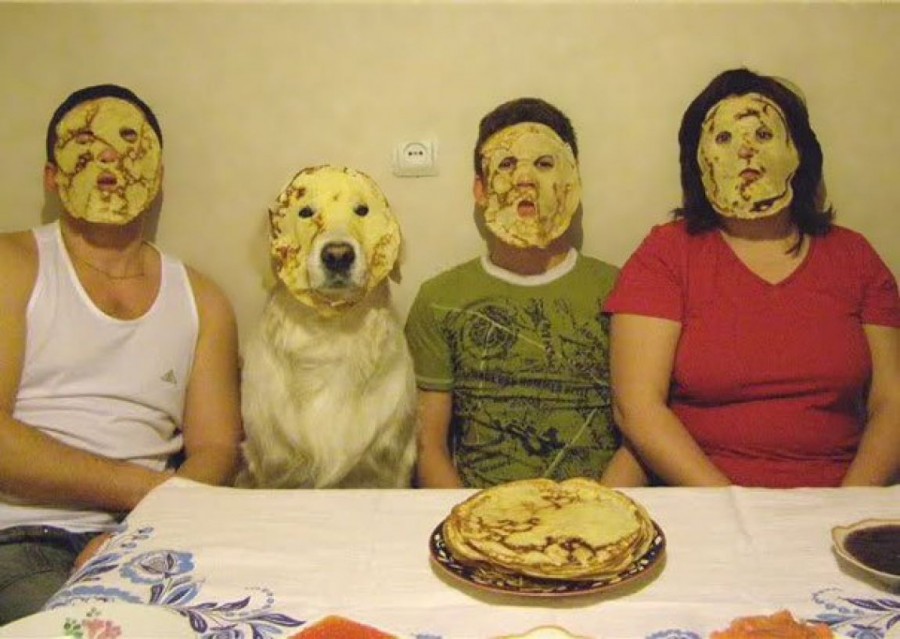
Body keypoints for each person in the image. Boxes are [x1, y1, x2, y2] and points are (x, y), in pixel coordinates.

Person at [0, 84, 242, 622]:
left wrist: (142, 529)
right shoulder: (12, 265)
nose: (109, 158)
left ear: (157, 172)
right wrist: (151, 493)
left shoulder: (203, 299)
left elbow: (217, 447)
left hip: (156, 535)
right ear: (52, 176)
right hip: (22, 536)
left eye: (128, 142)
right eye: (86, 144)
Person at [604, 68, 900, 488]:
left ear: (797, 153)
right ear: (699, 162)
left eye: (763, 135)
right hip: (703, 494)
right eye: (724, 138)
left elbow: (892, 402)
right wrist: (730, 503)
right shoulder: (667, 255)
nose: (746, 151)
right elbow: (638, 407)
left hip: (839, 494)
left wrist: (852, 504)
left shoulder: (855, 258)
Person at [405, 97, 635, 488]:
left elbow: (640, 430)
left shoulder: (622, 290)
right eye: (507, 164)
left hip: (600, 504)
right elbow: (429, 447)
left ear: (571, 183)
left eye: (544, 164)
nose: (524, 179)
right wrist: (470, 515)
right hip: (480, 508)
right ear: (481, 189)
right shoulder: (439, 299)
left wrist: (603, 508)